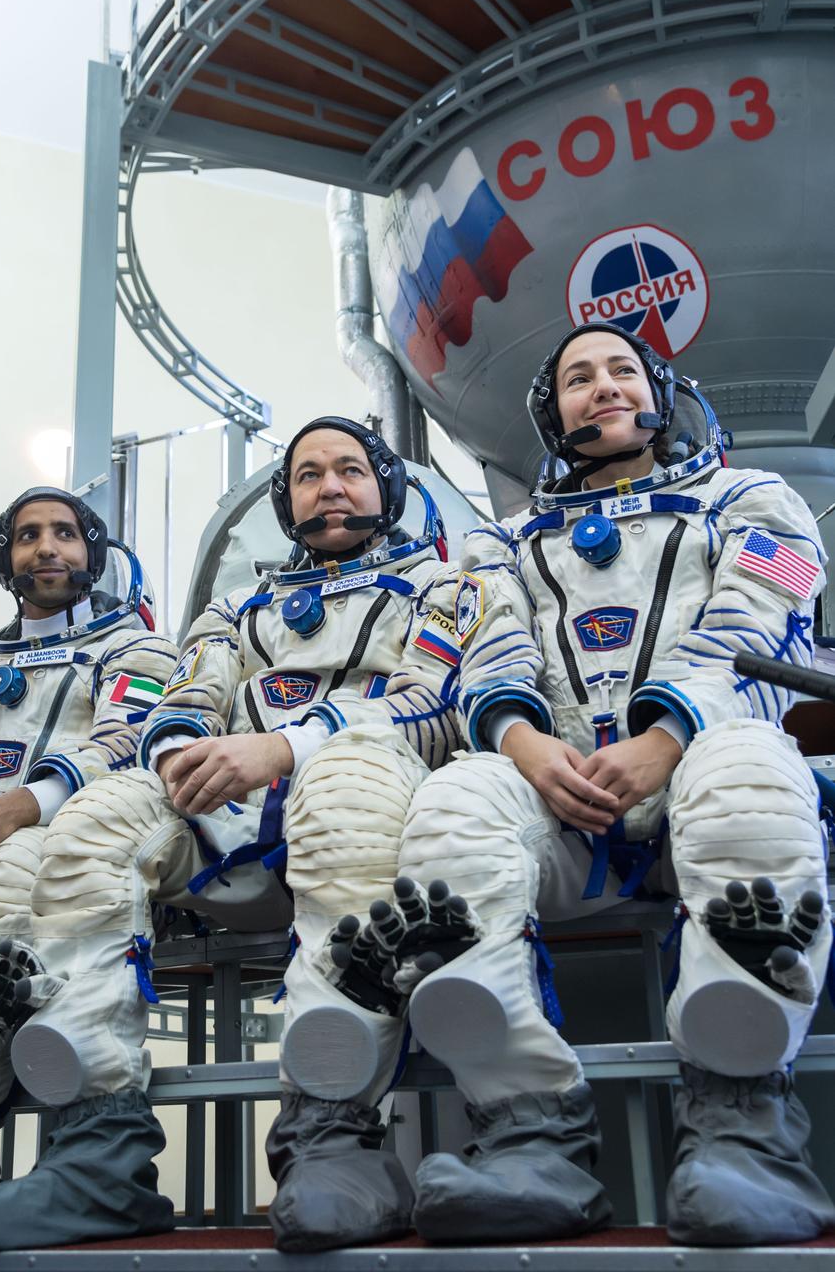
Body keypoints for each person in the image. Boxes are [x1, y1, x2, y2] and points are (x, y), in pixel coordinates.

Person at [339, 324, 834, 1246]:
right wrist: (523, 745)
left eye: (620, 370)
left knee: (747, 765)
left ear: (661, 393)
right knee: (455, 805)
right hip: (560, 798)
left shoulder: (752, 501)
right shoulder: (500, 543)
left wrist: (667, 737)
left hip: (703, 773)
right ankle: (531, 1134)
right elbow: (484, 652)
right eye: (577, 378)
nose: (600, 387)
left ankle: (745, 1133)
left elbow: (761, 627)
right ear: (551, 412)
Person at [0, 417, 461, 1254]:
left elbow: (434, 702)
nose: (329, 486)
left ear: (385, 488)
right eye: (308, 474)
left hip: (372, 803)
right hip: (234, 821)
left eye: (350, 470)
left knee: (341, 790)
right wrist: (179, 755)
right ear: (285, 503)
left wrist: (287, 745)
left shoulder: (444, 582)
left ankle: (335, 1137)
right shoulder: (233, 608)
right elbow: (184, 702)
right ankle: (91, 1154)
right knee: (74, 834)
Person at [0, 487, 177, 1241]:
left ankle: (95, 1154)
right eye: (28, 536)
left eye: (65, 533)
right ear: (7, 559)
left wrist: (22, 805)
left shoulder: (137, 647)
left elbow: (124, 743)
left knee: (26, 876)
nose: (47, 548)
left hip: (89, 844)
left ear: (92, 553)